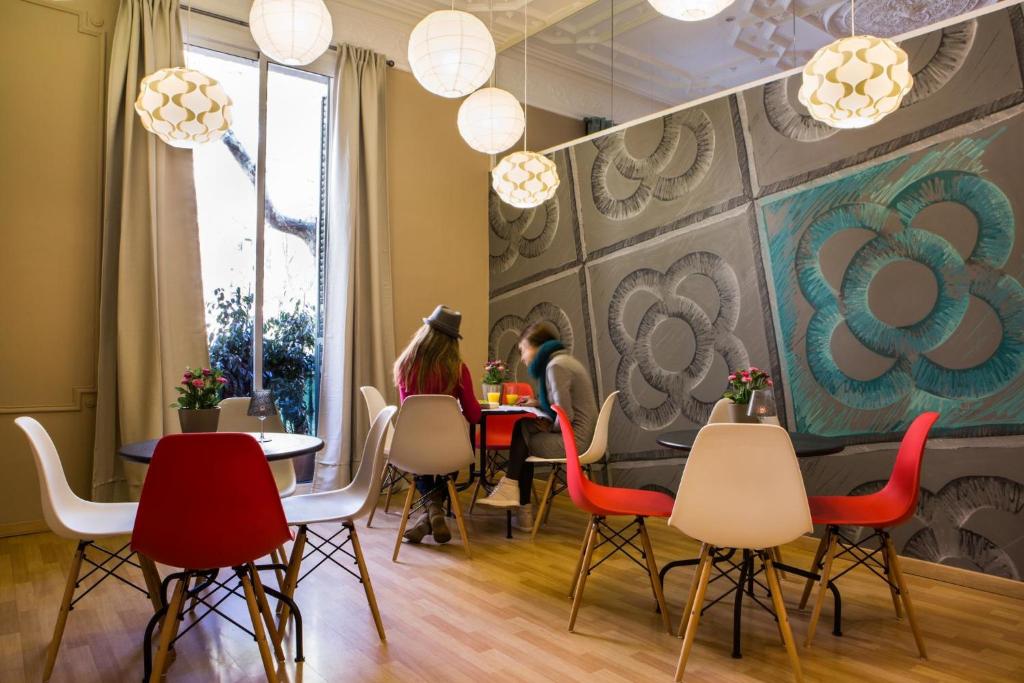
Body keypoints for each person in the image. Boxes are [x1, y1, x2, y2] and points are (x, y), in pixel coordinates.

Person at [479, 321, 597, 530]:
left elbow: (566, 415)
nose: (523, 358)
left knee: (523, 437)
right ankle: (517, 501)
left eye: (523, 350)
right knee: (524, 428)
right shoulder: (562, 360)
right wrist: (538, 404)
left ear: (536, 346)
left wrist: (550, 426)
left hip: (575, 441)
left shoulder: (555, 366)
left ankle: (516, 500)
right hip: (582, 435)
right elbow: (563, 405)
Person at [394, 305, 481, 544]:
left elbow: (408, 413)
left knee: (421, 461)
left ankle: (428, 516)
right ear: (452, 342)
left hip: (414, 447)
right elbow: (474, 416)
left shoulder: (406, 366)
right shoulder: (458, 370)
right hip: (449, 449)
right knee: (449, 458)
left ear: (426, 332)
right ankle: (434, 511)